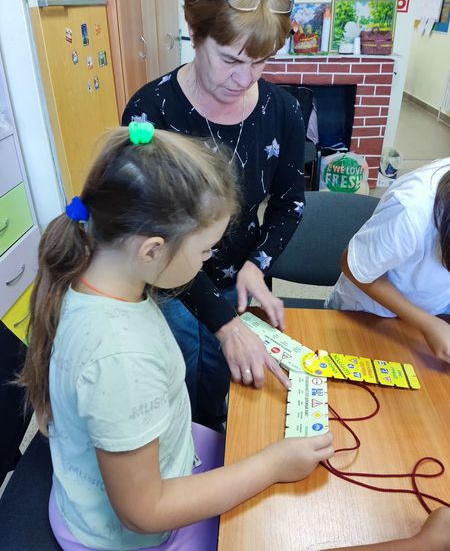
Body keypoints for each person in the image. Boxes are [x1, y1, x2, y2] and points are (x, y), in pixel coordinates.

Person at [17, 124, 450, 551]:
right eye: (205, 251)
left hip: (153, 467)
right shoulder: (119, 358)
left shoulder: (101, 278)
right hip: (134, 535)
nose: (208, 261)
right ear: (151, 250)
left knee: (266, 441)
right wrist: (272, 465)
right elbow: (144, 512)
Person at [122, 0, 306, 431]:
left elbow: (289, 204)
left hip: (242, 281)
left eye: (261, 62)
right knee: (177, 397)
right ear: (193, 29)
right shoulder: (151, 111)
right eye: (230, 60)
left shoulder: (283, 110)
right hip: (170, 287)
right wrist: (223, 324)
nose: (244, 79)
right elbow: (154, 235)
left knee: (236, 403)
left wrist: (257, 264)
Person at [326, 158, 450, 364]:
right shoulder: (412, 210)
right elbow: (353, 266)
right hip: (370, 316)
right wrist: (427, 324)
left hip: (435, 315)